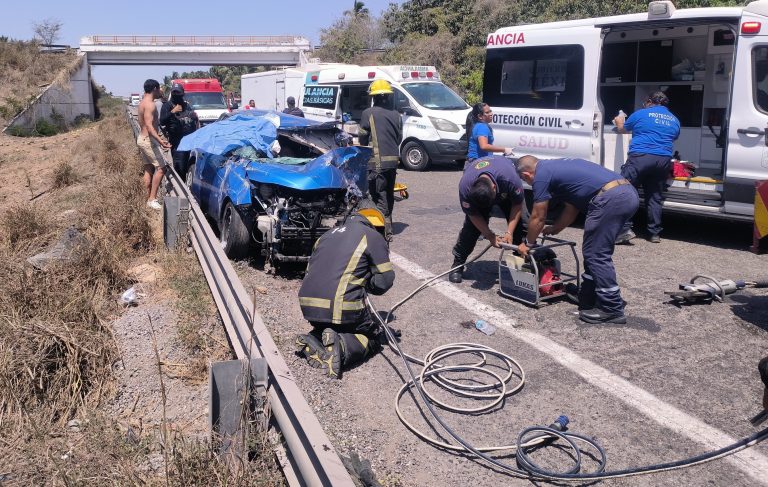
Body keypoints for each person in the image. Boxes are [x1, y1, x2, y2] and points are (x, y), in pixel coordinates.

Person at [516, 156, 639, 324]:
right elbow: (571, 208)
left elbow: (538, 216)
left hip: (610, 198)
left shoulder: (541, 175)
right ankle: (588, 296)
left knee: (596, 254)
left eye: (525, 180)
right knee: (593, 250)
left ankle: (611, 308)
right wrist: (556, 228)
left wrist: (528, 244)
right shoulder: (556, 167)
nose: (528, 183)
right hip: (625, 193)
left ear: (527, 175)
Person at [295, 201, 395, 379]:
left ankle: (315, 337)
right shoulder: (371, 236)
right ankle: (340, 346)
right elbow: (385, 281)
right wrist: (366, 283)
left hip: (309, 306)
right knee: (372, 336)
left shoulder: (325, 236)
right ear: (377, 225)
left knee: (332, 325)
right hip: (340, 307)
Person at [614, 91, 680, 244]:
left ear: (650, 101)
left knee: (626, 191)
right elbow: (674, 136)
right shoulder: (674, 119)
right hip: (663, 160)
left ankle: (624, 229)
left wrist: (619, 121)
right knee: (654, 197)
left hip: (640, 158)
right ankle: (654, 233)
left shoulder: (641, 114)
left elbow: (623, 129)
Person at [449, 155, 526, 283]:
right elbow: (473, 215)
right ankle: (457, 264)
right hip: (482, 194)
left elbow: (517, 205)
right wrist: (489, 235)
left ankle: (519, 268)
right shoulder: (465, 187)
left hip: (505, 191)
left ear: (494, 188)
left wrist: (509, 232)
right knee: (471, 230)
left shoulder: (510, 179)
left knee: (521, 227)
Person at [359, 80, 402, 240]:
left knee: (379, 195)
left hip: (377, 162)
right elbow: (399, 138)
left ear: (374, 97)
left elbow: (363, 137)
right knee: (389, 195)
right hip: (393, 162)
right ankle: (387, 223)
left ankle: (386, 230)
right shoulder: (396, 114)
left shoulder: (368, 113)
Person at [138, 79, 171, 210]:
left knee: (148, 169)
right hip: (149, 140)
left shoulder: (142, 103)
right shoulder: (150, 105)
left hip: (142, 138)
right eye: (160, 89)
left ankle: (145, 199)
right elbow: (149, 126)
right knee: (162, 168)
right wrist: (160, 140)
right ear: (155, 89)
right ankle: (152, 199)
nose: (161, 91)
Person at [159, 83, 199, 181]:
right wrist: (172, 112)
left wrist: (193, 116)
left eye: (179, 93)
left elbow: (193, 118)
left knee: (187, 164)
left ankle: (185, 183)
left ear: (182, 94)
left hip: (188, 140)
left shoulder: (186, 105)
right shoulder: (167, 105)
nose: (177, 95)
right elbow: (162, 121)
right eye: (174, 93)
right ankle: (180, 186)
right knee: (179, 165)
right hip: (176, 140)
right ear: (172, 93)